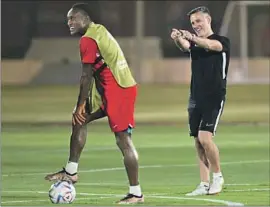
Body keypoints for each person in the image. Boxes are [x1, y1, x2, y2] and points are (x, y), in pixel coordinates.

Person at [44, 3, 144, 204]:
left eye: (73, 18)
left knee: (123, 139)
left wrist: (81, 103)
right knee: (79, 119)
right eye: (67, 19)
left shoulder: (88, 39)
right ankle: (71, 172)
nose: (69, 23)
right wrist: (81, 107)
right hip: (108, 88)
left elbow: (86, 76)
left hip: (119, 91)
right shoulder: (99, 30)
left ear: (85, 18)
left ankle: (136, 193)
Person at [170, 6, 230, 196]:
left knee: (205, 138)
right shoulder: (195, 44)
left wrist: (191, 37)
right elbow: (186, 47)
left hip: (214, 96)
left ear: (208, 20)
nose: (196, 25)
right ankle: (204, 184)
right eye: (193, 23)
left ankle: (218, 177)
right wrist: (178, 38)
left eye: (198, 21)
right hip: (196, 97)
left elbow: (211, 46)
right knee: (197, 140)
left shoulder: (221, 41)